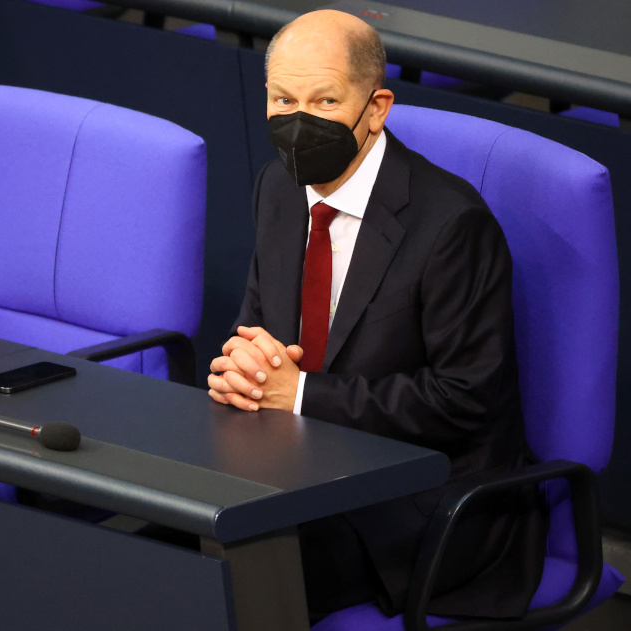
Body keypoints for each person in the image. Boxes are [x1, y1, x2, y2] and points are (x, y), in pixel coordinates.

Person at [207, 10, 545, 622]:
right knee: (162, 544)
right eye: (283, 98)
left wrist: (301, 394)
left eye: (326, 100)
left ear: (377, 107)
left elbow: (463, 400)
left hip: (421, 499)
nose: (299, 120)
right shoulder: (277, 190)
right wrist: (244, 369)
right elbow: (257, 331)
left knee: (233, 578)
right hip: (300, 472)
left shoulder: (451, 225)